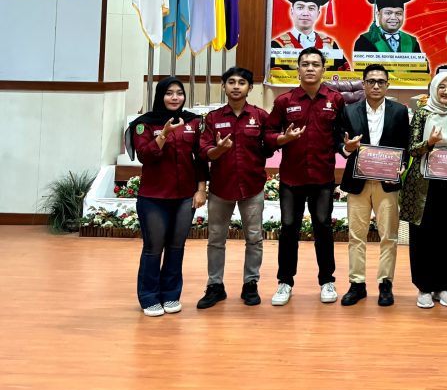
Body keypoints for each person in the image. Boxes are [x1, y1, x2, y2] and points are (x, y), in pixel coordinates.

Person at [265, 47, 349, 306]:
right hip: (292, 178)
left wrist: (346, 147)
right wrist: (283, 138)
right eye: (305, 64)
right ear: (298, 69)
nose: (310, 68)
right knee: (289, 228)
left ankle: (327, 281)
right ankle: (284, 282)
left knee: (323, 227)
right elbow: (268, 134)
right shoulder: (284, 101)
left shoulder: (335, 100)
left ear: (324, 69)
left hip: (322, 177)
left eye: (315, 64)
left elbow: (341, 136)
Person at [129, 77, 207, 317]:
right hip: (153, 196)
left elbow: (200, 158)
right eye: (169, 93)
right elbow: (144, 156)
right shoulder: (144, 124)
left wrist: (201, 188)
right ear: (160, 96)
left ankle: (171, 294)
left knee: (176, 247)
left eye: (179, 93)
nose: (175, 97)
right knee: (153, 248)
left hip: (184, 196)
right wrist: (162, 134)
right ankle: (149, 296)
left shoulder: (193, 121)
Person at [400, 72, 447, 308]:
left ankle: (443, 287)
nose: (446, 91)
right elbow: (412, 149)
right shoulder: (423, 114)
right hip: (423, 185)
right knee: (422, 237)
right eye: (442, 87)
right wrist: (430, 143)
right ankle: (424, 288)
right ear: (433, 89)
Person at [196, 67, 271, 309]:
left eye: (241, 82)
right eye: (231, 82)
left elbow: (270, 146)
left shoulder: (260, 116)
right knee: (216, 239)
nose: (236, 86)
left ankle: (251, 283)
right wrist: (218, 150)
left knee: (254, 238)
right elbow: (203, 152)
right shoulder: (212, 118)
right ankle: (215, 286)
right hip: (221, 188)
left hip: (252, 186)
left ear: (250, 87)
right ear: (224, 86)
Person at [337, 64, 410, 307]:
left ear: (388, 85)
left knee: (389, 236)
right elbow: (340, 143)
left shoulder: (400, 111)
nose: (376, 85)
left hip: (387, 182)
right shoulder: (349, 111)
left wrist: (402, 165)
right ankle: (357, 284)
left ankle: (385, 284)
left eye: (381, 81)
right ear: (363, 84)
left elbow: (405, 145)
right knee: (356, 236)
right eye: (371, 81)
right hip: (357, 182)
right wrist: (347, 148)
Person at [270, 0, 350, 72]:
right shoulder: (277, 45)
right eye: (300, 7)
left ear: (318, 13)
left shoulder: (331, 44)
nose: (305, 13)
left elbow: (344, 75)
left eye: (311, 8)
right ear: (292, 11)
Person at [353, 0, 424, 54]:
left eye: (398, 13)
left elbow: (422, 64)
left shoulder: (411, 41)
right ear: (378, 14)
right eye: (388, 13)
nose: (394, 17)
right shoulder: (365, 41)